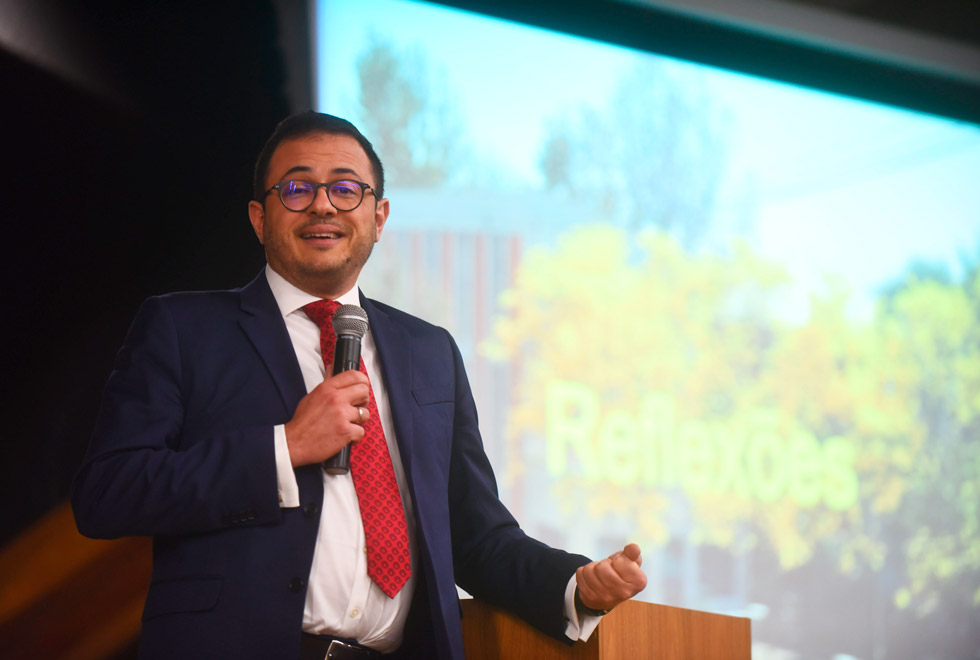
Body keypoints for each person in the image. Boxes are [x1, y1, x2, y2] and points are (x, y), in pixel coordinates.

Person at [71, 111, 646, 660]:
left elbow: (474, 536)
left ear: (379, 216)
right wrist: (285, 447)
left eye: (346, 189)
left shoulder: (430, 351)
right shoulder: (184, 329)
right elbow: (109, 492)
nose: (322, 204)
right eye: (296, 189)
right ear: (258, 217)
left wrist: (573, 584)